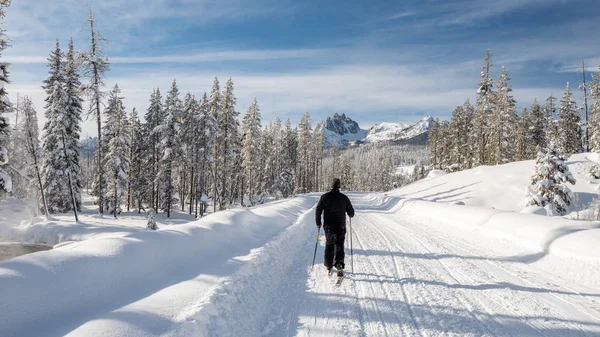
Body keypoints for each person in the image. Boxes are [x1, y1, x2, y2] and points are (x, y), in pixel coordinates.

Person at [315, 178, 355, 277]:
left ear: (331, 186)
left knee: (329, 245)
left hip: (328, 226)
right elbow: (351, 213)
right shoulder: (344, 198)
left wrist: (318, 222)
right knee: (339, 246)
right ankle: (339, 264)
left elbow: (318, 210)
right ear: (339, 186)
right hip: (340, 226)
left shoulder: (324, 197)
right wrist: (349, 212)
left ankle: (329, 265)